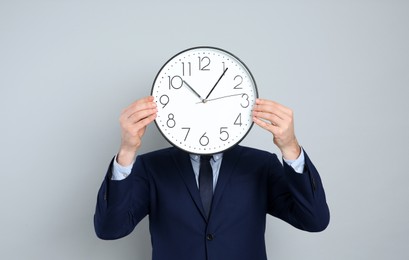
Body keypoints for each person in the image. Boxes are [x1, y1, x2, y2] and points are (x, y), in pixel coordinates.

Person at [94, 96, 330, 260]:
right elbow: (109, 229)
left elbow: (314, 220)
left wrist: (290, 147)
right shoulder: (151, 166)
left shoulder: (261, 165)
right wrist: (126, 151)